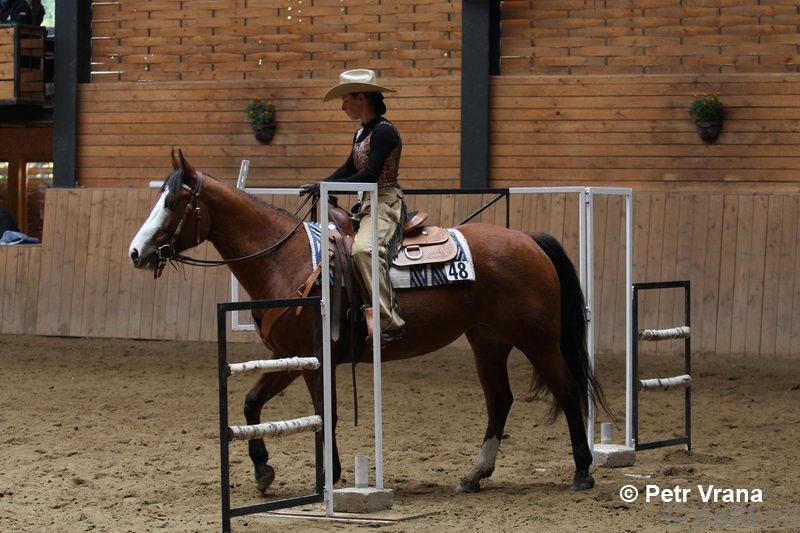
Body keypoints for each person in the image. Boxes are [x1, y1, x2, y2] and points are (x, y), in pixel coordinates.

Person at [301, 69, 405, 343]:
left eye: (345, 99)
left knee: (364, 250)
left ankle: (389, 320)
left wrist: (327, 187)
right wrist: (322, 184)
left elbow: (369, 176)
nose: (342, 106)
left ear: (361, 98)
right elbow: (349, 168)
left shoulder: (384, 132)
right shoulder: (361, 132)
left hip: (385, 203)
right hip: (366, 203)